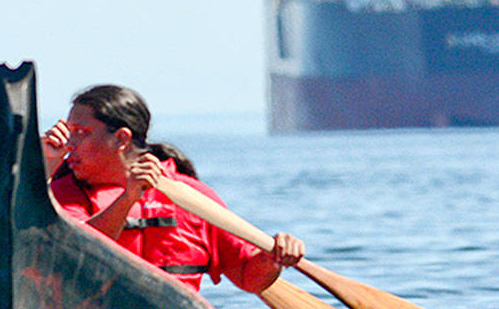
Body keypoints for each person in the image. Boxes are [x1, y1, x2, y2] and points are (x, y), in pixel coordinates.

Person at [43, 84, 305, 293]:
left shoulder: (192, 196)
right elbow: (71, 254)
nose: (70, 144)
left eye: (82, 132)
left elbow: (248, 278)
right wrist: (43, 167)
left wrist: (274, 258)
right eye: (70, 132)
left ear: (121, 138)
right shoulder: (60, 193)